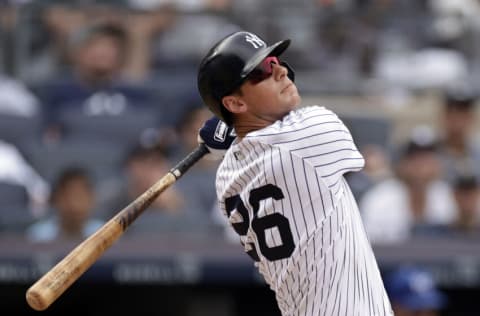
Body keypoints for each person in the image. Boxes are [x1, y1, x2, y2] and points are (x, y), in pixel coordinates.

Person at [196, 31, 393, 315]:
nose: (281, 71)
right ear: (235, 103)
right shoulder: (313, 131)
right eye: (261, 71)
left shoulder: (226, 176)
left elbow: (255, 135)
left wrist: (232, 125)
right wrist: (230, 127)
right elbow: (285, 128)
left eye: (276, 61)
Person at [25, 166, 104, 243]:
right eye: (69, 196)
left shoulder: (104, 234)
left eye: (81, 196)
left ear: (92, 198)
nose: (75, 205)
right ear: (57, 198)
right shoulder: (37, 237)